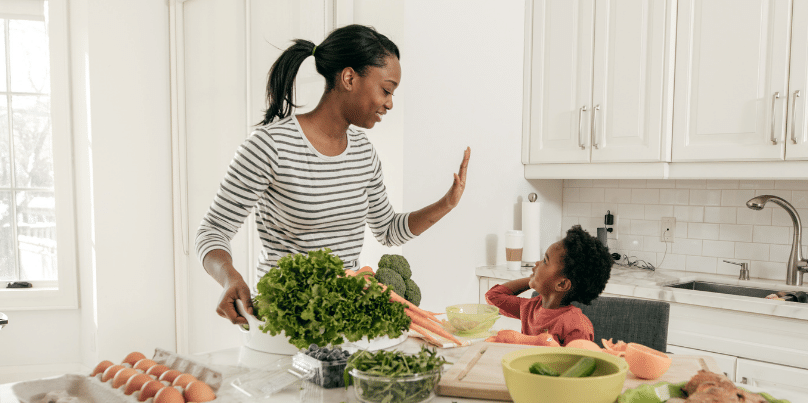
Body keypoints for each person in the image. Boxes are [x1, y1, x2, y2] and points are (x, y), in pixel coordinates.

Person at [195, 24, 470, 325]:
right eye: (386, 90)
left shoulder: (363, 152)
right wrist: (229, 277)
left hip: (344, 321)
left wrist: (447, 203)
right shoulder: (270, 145)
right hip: (285, 321)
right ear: (349, 78)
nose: (390, 103)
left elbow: (389, 230)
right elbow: (212, 231)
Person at [484, 225, 614, 346]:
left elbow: (577, 364)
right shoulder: (530, 308)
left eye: (545, 261)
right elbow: (493, 297)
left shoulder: (575, 326)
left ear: (562, 284)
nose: (537, 263)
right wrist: (533, 279)